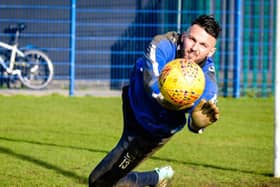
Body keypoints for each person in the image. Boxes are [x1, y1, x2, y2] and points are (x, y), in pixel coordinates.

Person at [88, 14, 221, 187]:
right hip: (132, 105)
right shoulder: (162, 44)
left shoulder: (208, 85)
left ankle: (156, 178)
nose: (194, 48)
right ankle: (155, 178)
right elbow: (151, 79)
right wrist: (163, 99)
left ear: (211, 51)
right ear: (184, 36)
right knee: (109, 179)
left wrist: (196, 125)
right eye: (192, 39)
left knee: (99, 182)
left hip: (151, 131)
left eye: (203, 45)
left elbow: (196, 119)